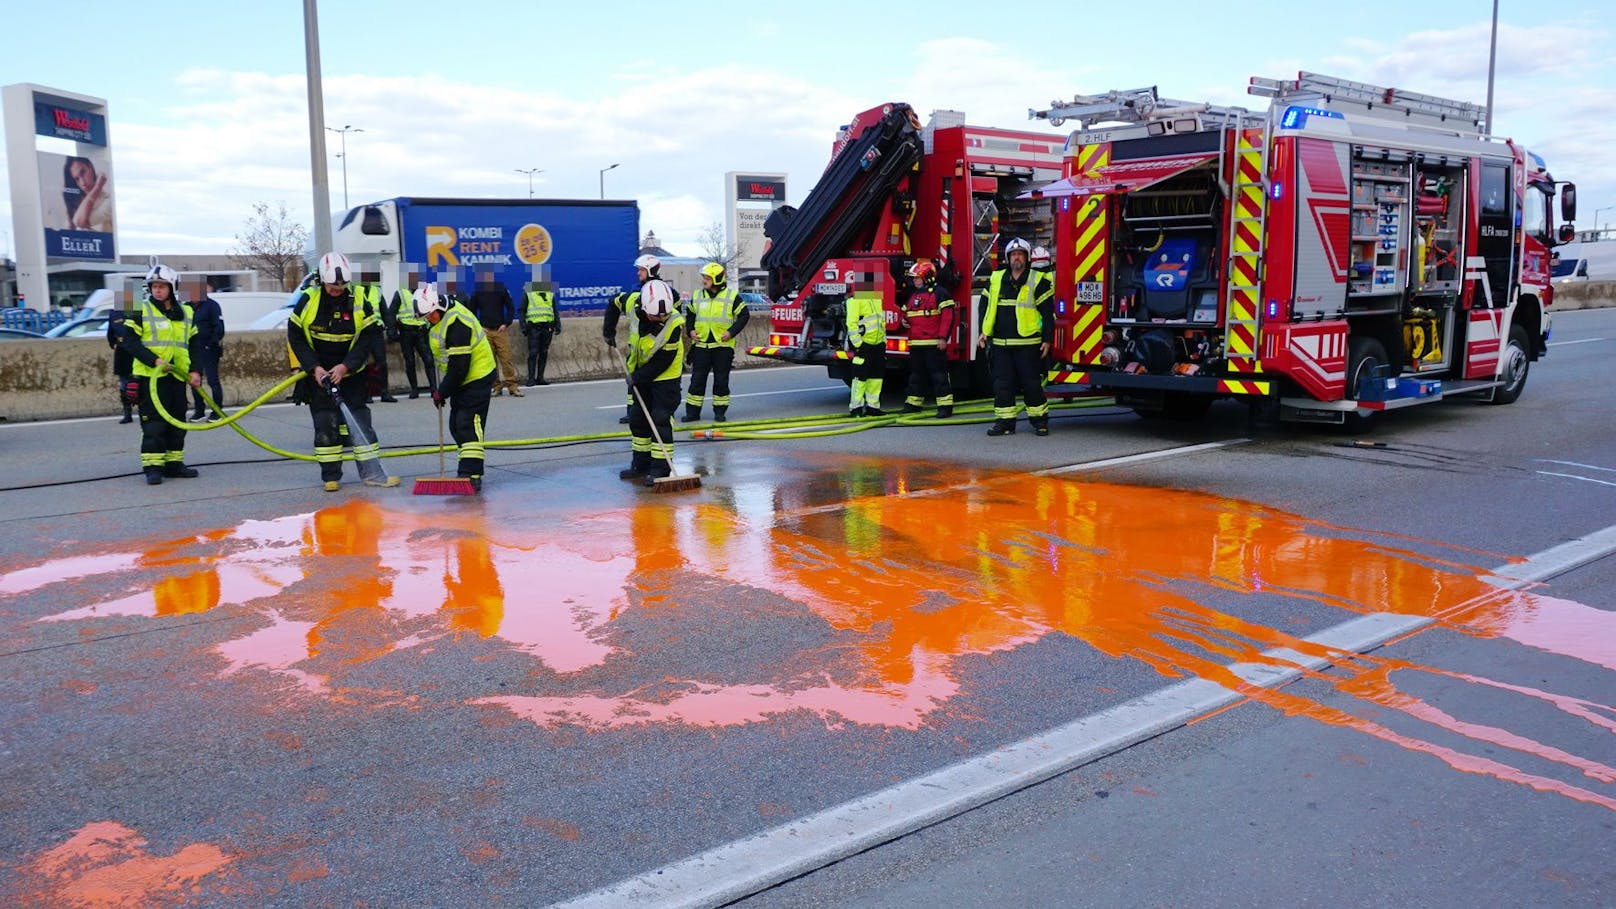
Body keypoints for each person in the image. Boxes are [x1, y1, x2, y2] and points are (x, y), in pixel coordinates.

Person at [287, 252, 397, 491]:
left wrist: (346, 365)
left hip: (351, 372)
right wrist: (313, 368)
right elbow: (295, 336)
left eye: (342, 286)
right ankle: (330, 477)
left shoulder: (358, 299)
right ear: (322, 281)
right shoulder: (308, 300)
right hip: (319, 374)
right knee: (325, 424)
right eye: (332, 287)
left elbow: (369, 336)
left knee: (361, 422)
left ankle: (372, 473)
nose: (337, 290)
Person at [115, 264, 203, 484]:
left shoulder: (187, 312)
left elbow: (194, 344)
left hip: (177, 376)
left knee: (177, 420)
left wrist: (195, 371)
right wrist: (153, 360)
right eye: (154, 286)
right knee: (154, 423)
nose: (157, 290)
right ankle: (153, 467)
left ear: (172, 288)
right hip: (149, 376)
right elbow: (129, 342)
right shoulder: (138, 308)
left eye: (162, 286)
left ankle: (174, 464)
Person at [416, 283, 496, 492]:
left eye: (430, 315)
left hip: (477, 375)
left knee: (467, 423)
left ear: (439, 307)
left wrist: (442, 391)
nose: (428, 319)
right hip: (461, 379)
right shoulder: (439, 318)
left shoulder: (457, 322)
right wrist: (442, 390)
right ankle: (467, 470)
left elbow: (460, 366)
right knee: (455, 424)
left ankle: (471, 475)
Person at [978, 237, 1054, 436]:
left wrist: (1047, 339)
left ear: (1026, 258)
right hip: (1001, 344)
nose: (1016, 258)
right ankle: (1005, 422)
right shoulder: (996, 279)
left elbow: (1047, 312)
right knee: (1002, 384)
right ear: (1008, 258)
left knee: (1031, 384)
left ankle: (1040, 421)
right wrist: (983, 332)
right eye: (1013, 255)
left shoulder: (1037, 280)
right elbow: (984, 307)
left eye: (1020, 254)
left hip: (1028, 344)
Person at [619, 279, 684, 485]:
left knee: (660, 419)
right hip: (642, 371)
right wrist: (608, 331)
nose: (660, 319)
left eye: (662, 315)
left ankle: (661, 469)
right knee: (637, 419)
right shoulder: (633, 303)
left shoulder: (674, 323)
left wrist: (637, 377)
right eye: (655, 315)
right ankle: (641, 464)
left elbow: (662, 361)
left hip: (666, 377)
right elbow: (614, 303)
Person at [603, 255, 678, 424]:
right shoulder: (637, 296)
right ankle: (634, 413)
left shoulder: (668, 295)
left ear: (651, 271)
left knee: (660, 403)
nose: (638, 273)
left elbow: (673, 323)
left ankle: (659, 416)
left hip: (663, 352)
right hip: (639, 350)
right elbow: (614, 302)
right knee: (636, 383)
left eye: (642, 270)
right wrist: (608, 332)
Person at [682, 261, 749, 422]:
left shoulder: (732, 296)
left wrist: (731, 332)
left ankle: (720, 412)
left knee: (721, 380)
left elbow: (744, 316)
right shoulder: (698, 295)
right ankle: (692, 413)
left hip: (722, 346)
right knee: (697, 380)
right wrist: (690, 330)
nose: (704, 280)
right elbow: (690, 315)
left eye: (707, 278)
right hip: (701, 345)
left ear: (717, 279)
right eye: (704, 277)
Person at [899, 259, 956, 418]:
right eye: (914, 278)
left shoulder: (940, 294)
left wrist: (943, 338)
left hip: (933, 344)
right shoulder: (914, 295)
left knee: (938, 375)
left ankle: (945, 407)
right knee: (916, 375)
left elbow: (948, 316)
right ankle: (913, 404)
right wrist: (904, 320)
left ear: (927, 277)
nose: (914, 280)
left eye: (917, 277)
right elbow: (906, 312)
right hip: (916, 343)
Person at [470, 270, 522, 397]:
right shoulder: (478, 290)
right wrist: (479, 326)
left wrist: (506, 323)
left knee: (506, 359)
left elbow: (510, 307)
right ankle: (496, 387)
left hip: (500, 331)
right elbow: (471, 310)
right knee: (490, 361)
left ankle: (512, 387)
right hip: (485, 331)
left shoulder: (500, 288)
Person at [388, 266, 437, 398]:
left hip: (421, 331)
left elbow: (434, 309)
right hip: (406, 332)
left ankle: (434, 389)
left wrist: (433, 326)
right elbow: (391, 312)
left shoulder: (425, 292)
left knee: (428, 360)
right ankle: (414, 390)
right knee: (409, 361)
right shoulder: (401, 292)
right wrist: (392, 330)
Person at [186, 281, 226, 421]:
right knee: (194, 381)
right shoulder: (186, 307)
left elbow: (219, 328)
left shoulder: (212, 306)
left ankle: (217, 411)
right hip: (192, 350)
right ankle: (199, 410)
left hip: (209, 349)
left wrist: (211, 344)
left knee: (213, 381)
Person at [357, 266, 397, 402]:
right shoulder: (355, 291)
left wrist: (391, 329)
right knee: (362, 364)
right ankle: (366, 394)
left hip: (376, 331)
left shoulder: (376, 290)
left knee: (381, 363)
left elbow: (385, 311)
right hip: (362, 332)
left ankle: (384, 392)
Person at [846, 287, 886, 418]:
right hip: (864, 345)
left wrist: (883, 340)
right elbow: (851, 324)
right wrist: (858, 345)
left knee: (876, 377)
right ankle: (856, 408)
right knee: (860, 377)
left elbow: (881, 321)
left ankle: (873, 407)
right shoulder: (854, 300)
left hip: (878, 344)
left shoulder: (876, 298)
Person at [520, 279, 560, 385]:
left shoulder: (550, 293)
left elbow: (554, 310)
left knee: (544, 352)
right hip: (534, 328)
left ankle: (540, 378)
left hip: (548, 327)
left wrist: (558, 325)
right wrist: (523, 327)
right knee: (533, 353)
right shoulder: (529, 293)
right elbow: (521, 310)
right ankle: (531, 379)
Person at [106, 291, 136, 424]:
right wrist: (113, 342)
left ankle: (140, 412)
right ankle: (127, 413)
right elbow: (110, 332)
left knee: (138, 382)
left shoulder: (139, 310)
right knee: (125, 383)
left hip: (136, 349)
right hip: (123, 350)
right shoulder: (115, 312)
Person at [62, 156, 113, 233]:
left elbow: (78, 221)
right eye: (77, 179)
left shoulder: (109, 201)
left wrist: (97, 187)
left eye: (83, 172)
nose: (83, 183)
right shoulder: (76, 204)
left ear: (90, 167)